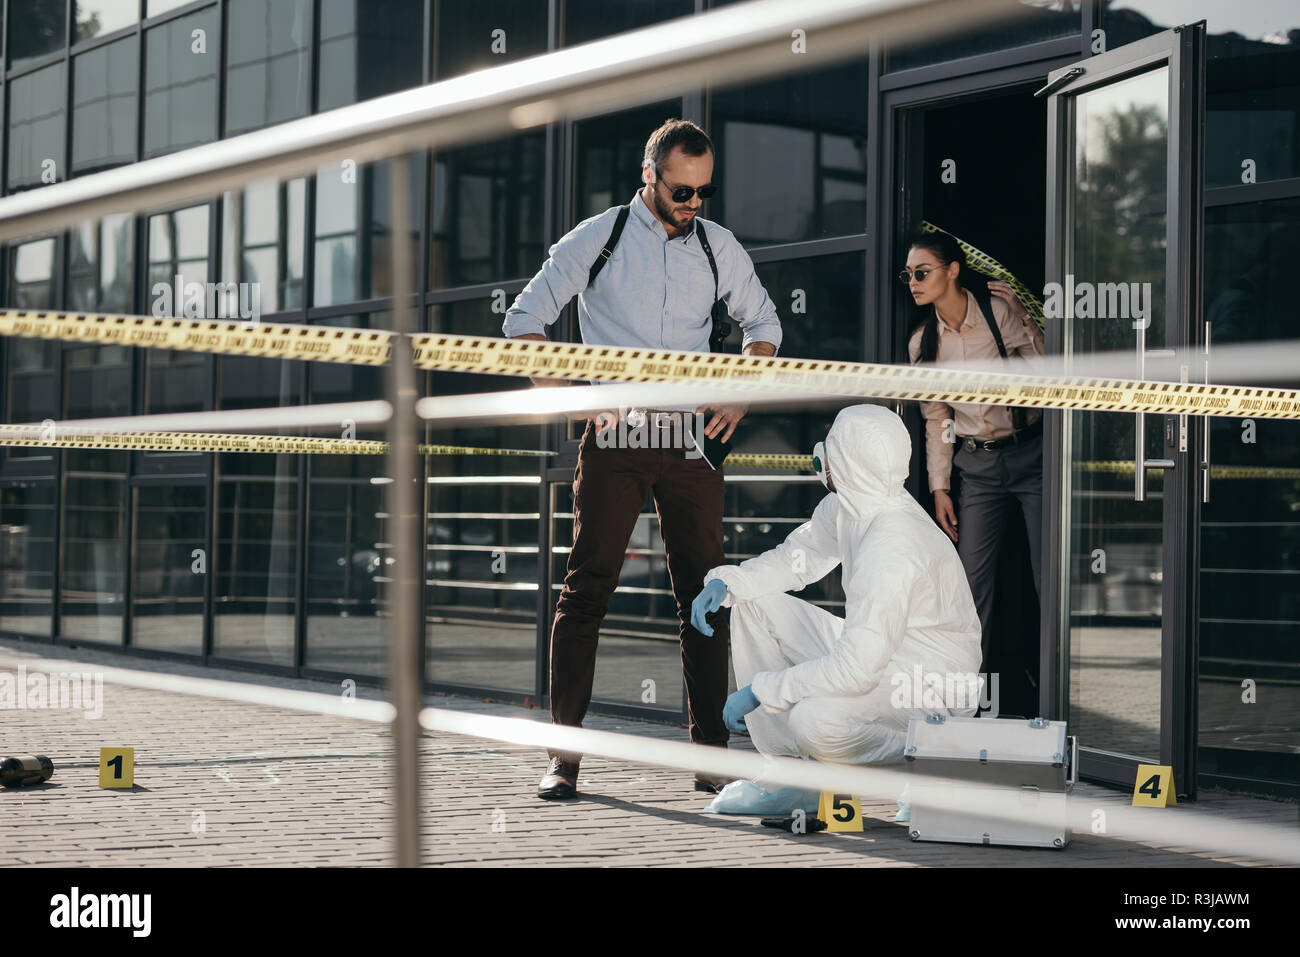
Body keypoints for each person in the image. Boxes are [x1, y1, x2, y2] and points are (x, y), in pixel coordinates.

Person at [503, 119, 783, 800]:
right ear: (649, 176)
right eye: (682, 191)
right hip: (617, 438)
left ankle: (712, 759)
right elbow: (521, 323)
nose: (694, 204)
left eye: (704, 192)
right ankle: (564, 758)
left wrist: (741, 393)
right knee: (587, 589)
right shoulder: (598, 239)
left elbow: (765, 325)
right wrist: (574, 398)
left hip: (690, 443)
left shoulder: (717, 246)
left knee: (704, 597)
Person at [689, 405, 982, 805]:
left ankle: (935, 764)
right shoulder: (849, 506)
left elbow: (856, 670)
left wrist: (763, 690)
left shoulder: (892, 544)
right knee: (753, 602)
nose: (822, 455)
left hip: (929, 685)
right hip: (882, 657)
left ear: (850, 461)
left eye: (833, 446)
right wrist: (728, 583)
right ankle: (790, 776)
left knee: (816, 720)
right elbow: (797, 559)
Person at [904, 229, 1043, 678]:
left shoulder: (997, 315)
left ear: (952, 271)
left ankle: (1056, 685)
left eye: (922, 272)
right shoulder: (923, 343)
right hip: (978, 469)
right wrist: (939, 488)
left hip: (1031, 456)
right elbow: (936, 419)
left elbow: (1048, 370)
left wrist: (1024, 316)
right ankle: (965, 692)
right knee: (969, 586)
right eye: (908, 275)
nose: (913, 282)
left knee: (1049, 576)